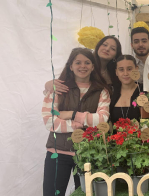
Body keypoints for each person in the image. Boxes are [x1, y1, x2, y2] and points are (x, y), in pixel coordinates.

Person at [42, 48, 110, 196]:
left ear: (93, 66)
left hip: (88, 153)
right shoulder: (57, 88)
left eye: (87, 62)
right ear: (71, 66)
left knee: (87, 194)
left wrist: (71, 114)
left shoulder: (101, 91)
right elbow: (49, 121)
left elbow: (102, 119)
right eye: (78, 62)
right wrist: (78, 125)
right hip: (58, 152)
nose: (83, 66)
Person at [45, 36, 122, 94]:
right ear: (98, 46)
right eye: (105, 45)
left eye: (113, 48)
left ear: (116, 55)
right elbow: (61, 84)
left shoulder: (116, 73)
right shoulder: (84, 66)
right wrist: (48, 85)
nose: (107, 49)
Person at [110, 55, 142, 124]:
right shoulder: (110, 92)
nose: (125, 73)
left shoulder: (144, 91)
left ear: (136, 69)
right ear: (116, 72)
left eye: (129, 69)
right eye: (121, 70)